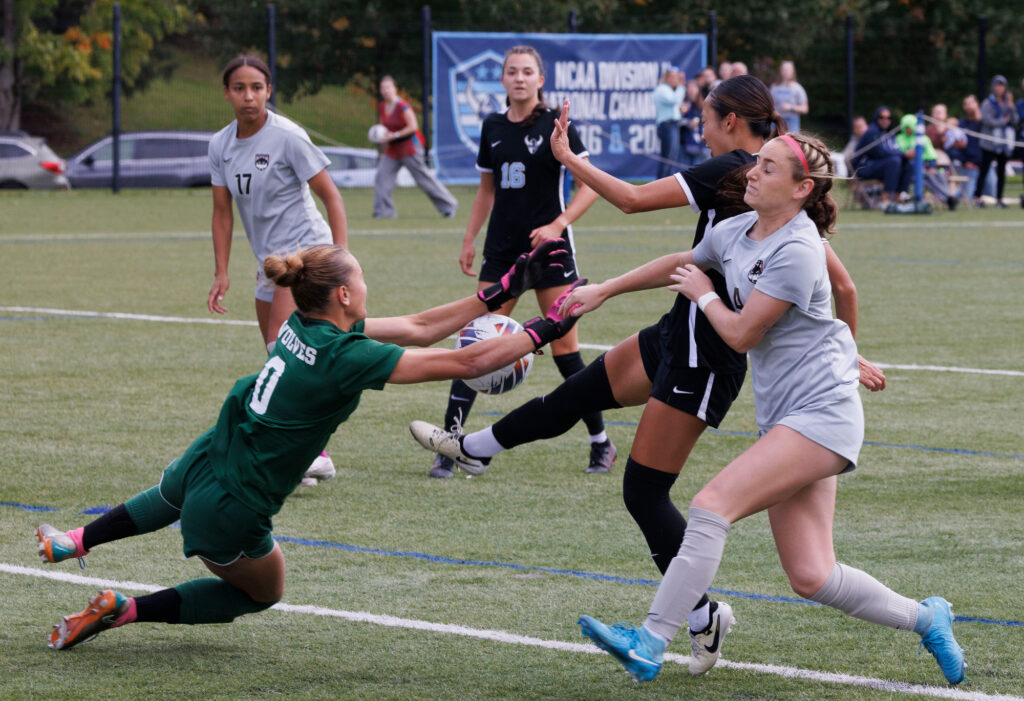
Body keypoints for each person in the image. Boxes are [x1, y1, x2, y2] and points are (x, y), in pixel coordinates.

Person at [411, 76, 885, 675]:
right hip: (677, 331)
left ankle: (696, 617)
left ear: (732, 122)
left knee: (647, 490)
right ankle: (475, 448)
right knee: (578, 392)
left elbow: (632, 200)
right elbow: (819, 282)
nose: (700, 126)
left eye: (707, 116)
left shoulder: (736, 174)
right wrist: (605, 289)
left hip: (707, 355)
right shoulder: (759, 200)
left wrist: (567, 160)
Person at [36, 241, 579, 651]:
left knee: (172, 493)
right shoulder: (348, 357)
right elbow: (467, 362)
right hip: (234, 504)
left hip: (211, 454)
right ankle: (124, 609)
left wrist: (500, 289)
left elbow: (418, 326)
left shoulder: (304, 324)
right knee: (264, 592)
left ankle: (75, 541)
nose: (366, 286)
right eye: (361, 279)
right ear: (343, 294)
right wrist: (548, 326)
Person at [574, 133, 966, 686]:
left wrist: (703, 295)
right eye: (757, 162)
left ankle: (651, 639)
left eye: (768, 167)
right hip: (790, 417)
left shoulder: (799, 250)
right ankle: (928, 617)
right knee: (812, 575)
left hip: (823, 414)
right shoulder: (739, 229)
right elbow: (681, 261)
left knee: (712, 506)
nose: (751, 172)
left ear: (802, 189)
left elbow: (739, 334)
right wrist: (605, 290)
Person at [430, 44, 611, 479]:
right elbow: (486, 191)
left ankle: (601, 444)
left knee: (566, 352)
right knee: (474, 344)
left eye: (527, 72)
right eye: (511, 71)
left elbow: (591, 186)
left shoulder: (556, 125)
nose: (519, 78)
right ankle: (450, 445)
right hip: (502, 253)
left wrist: (559, 223)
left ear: (540, 79)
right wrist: (469, 238)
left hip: (550, 252)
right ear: (504, 79)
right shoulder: (492, 126)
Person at [207, 55, 348, 487]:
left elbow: (332, 197)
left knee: (281, 351)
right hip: (269, 261)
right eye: (239, 88)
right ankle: (305, 449)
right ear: (227, 93)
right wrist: (221, 272)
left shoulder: (287, 136)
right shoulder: (220, 145)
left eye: (256, 87)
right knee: (276, 358)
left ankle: (312, 453)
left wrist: (340, 256)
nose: (248, 96)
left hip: (305, 255)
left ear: (269, 91)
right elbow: (222, 212)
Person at [372, 75, 458, 219]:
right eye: (383, 88)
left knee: (423, 179)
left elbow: (413, 127)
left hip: (409, 147)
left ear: (395, 89)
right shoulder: (382, 107)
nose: (385, 90)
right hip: (393, 150)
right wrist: (381, 138)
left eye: (388, 87)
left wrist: (396, 135)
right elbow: (383, 128)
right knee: (382, 176)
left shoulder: (402, 106)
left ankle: (449, 205)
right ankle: (384, 212)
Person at [895, 113, 957, 210]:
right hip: (910, 170)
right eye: (906, 127)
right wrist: (907, 155)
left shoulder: (923, 139)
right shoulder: (899, 139)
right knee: (928, 177)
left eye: (910, 127)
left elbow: (932, 155)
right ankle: (949, 198)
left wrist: (932, 167)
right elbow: (898, 155)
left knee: (939, 175)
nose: (909, 129)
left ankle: (949, 198)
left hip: (927, 167)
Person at [973, 75, 1018, 208]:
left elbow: (1015, 120)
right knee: (984, 170)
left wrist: (1011, 106)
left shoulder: (1007, 103)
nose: (999, 88)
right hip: (989, 143)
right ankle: (977, 198)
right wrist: (1002, 121)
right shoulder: (987, 103)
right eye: (997, 85)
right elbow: (987, 121)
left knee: (1001, 171)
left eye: (1002, 85)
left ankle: (999, 199)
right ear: (993, 87)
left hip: (1004, 143)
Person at [852, 107, 905, 208]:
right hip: (863, 167)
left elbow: (893, 150)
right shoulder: (872, 132)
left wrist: (905, 156)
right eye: (882, 117)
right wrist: (904, 154)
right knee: (895, 161)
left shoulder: (890, 133)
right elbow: (880, 152)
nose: (885, 120)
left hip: (881, 165)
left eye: (888, 117)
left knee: (907, 164)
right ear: (877, 118)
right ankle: (885, 200)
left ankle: (898, 197)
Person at [652, 66, 684, 179]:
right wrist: (681, 86)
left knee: (672, 158)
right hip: (667, 125)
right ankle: (661, 185)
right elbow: (674, 100)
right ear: (666, 77)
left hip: (673, 125)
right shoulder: (662, 89)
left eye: (676, 77)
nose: (675, 80)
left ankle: (666, 185)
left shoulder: (669, 90)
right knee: (667, 158)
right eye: (672, 77)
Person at [770, 60, 808, 134]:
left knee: (791, 144)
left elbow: (805, 109)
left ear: (793, 71)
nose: (786, 72)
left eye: (788, 69)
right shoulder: (774, 87)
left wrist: (791, 107)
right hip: (776, 121)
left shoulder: (797, 88)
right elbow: (769, 104)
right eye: (784, 69)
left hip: (792, 122)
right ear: (780, 71)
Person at [679, 79, 707, 167]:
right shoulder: (683, 105)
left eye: (693, 88)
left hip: (703, 145)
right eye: (689, 88)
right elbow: (677, 121)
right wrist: (688, 123)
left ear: (698, 90)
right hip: (686, 145)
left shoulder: (705, 106)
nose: (691, 91)